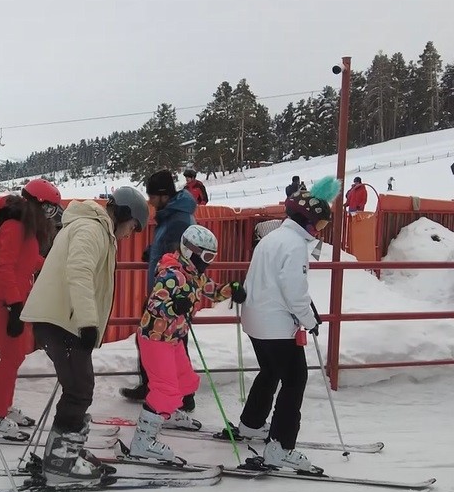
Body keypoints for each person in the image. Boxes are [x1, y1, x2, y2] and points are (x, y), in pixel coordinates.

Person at [22, 186, 149, 487]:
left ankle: (64, 452)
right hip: (62, 321)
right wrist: (88, 323)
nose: (131, 235)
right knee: (79, 389)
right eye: (133, 227)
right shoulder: (91, 230)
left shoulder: (94, 230)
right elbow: (78, 271)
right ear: (124, 215)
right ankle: (61, 462)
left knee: (77, 386)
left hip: (62, 319)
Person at [225, 177, 340, 473]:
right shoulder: (295, 246)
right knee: (295, 379)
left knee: (271, 371)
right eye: (320, 224)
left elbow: (271, 281)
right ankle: (281, 447)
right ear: (306, 220)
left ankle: (251, 424)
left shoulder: (273, 238)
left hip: (256, 321)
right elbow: (294, 290)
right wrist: (309, 319)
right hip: (276, 326)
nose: (319, 231)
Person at [128, 225, 245, 462]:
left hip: (173, 338)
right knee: (165, 388)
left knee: (185, 381)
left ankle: (168, 414)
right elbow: (154, 305)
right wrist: (174, 306)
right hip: (156, 339)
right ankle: (143, 441)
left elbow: (212, 292)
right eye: (206, 257)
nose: (208, 263)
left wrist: (231, 290)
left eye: (212, 257)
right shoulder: (172, 274)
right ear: (190, 251)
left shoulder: (193, 274)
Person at [0, 179, 61, 436]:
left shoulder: (25, 226)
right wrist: (15, 305)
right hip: (6, 300)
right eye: (48, 209)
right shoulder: (14, 226)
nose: (49, 216)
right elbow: (6, 266)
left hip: (16, 299)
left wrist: (51, 262)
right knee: (12, 356)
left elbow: (26, 260)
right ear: (36, 205)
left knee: (14, 356)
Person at [120, 172, 197, 421]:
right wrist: (152, 250)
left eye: (153, 196)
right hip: (161, 292)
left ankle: (181, 396)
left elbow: (181, 257)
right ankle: (160, 388)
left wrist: (178, 296)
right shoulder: (170, 216)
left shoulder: (179, 220)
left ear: (164, 194)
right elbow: (168, 249)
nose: (150, 202)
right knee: (157, 341)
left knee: (171, 343)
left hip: (170, 296)